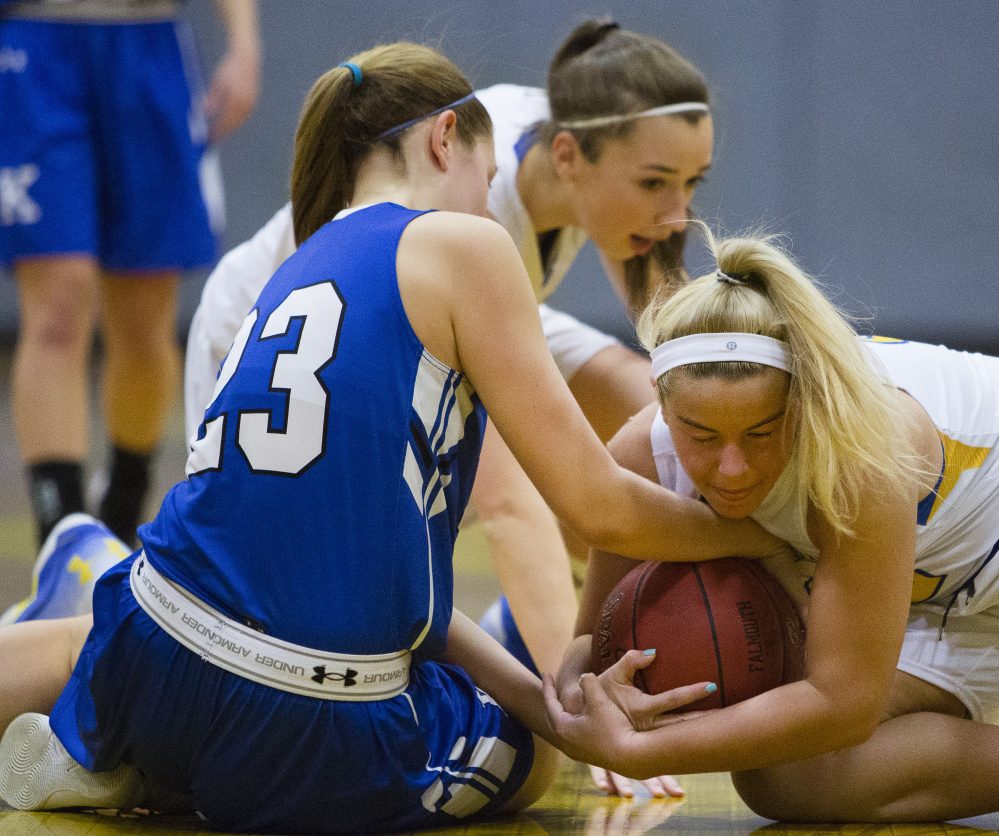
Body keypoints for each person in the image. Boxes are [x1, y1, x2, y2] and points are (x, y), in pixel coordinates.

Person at [0, 45, 780, 833]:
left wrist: (551, 699)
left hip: (151, 648)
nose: (487, 204)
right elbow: (597, 507)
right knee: (530, 761)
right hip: (303, 729)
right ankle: (174, 770)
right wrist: (764, 536)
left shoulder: (297, 262)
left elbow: (408, 600)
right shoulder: (469, 247)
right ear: (445, 139)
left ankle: (128, 742)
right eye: (485, 185)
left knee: (115, 624)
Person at [183, 21, 712, 796]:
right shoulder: (470, 195)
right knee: (304, 591)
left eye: (692, 185)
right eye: (656, 183)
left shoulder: (577, 122)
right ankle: (97, 567)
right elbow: (512, 504)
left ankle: (514, 631)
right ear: (567, 157)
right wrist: (573, 707)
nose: (675, 213)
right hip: (277, 344)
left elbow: (668, 341)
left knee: (643, 398)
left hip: (365, 316)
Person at [545, 229, 999, 822]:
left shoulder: (860, 452)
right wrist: (586, 693)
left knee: (807, 715)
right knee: (786, 779)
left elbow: (843, 704)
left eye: (761, 432)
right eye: (701, 436)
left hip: (963, 570)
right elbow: (596, 641)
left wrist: (640, 746)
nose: (731, 469)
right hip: (936, 591)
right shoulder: (641, 457)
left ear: (803, 400)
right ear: (660, 396)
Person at [0, 0, 261, 548]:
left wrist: (243, 42)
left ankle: (120, 511)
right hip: (34, 46)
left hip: (146, 45)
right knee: (58, 307)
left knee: (144, 325)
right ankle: (62, 548)